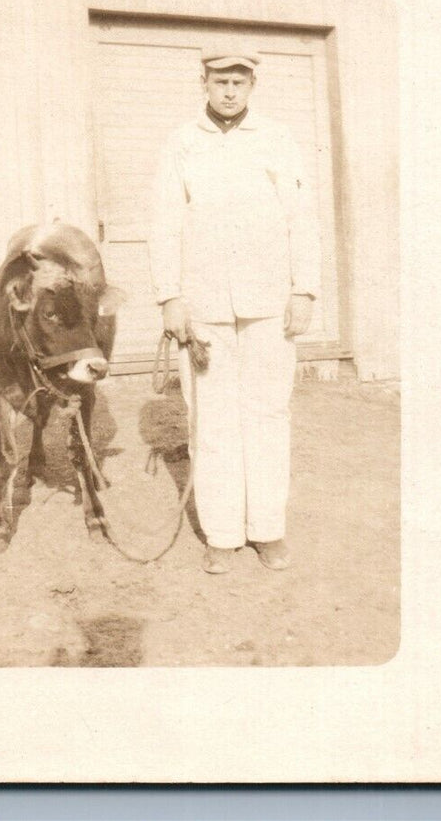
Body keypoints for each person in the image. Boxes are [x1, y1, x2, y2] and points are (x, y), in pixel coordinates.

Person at [148, 46, 320, 575]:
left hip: (268, 303)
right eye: (220, 81)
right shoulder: (181, 143)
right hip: (204, 308)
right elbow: (164, 222)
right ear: (203, 82)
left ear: (251, 87)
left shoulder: (276, 139)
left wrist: (304, 290)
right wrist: (170, 297)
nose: (229, 92)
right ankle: (222, 535)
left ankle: (267, 530)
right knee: (213, 420)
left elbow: (301, 217)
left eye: (239, 83)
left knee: (267, 412)